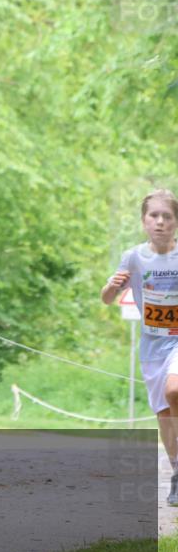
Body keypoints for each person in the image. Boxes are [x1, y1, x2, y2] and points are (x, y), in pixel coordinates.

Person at [101, 189, 178, 505]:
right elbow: (107, 299)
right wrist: (112, 286)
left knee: (174, 392)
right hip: (151, 346)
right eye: (154, 216)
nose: (160, 222)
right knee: (163, 414)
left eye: (167, 216)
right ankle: (177, 473)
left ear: (176, 222)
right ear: (144, 221)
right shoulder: (133, 256)